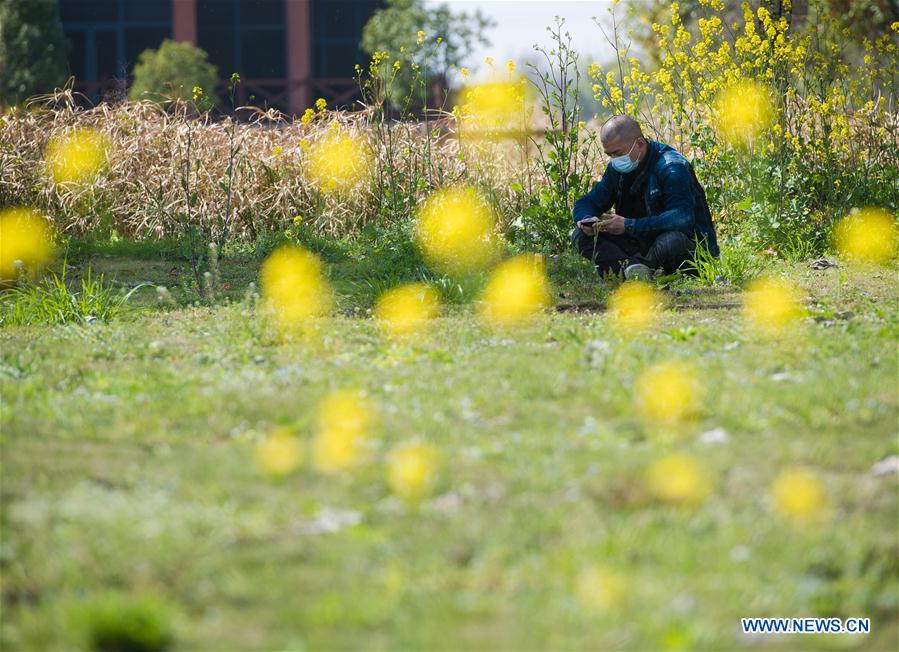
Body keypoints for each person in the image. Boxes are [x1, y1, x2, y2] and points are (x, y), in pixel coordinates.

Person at [571, 115, 718, 280]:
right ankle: (635, 271)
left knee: (671, 241)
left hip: (684, 247)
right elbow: (588, 201)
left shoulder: (671, 167)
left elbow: (682, 218)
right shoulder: (616, 168)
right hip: (640, 244)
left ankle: (633, 272)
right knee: (579, 236)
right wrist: (585, 219)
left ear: (639, 143)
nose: (613, 160)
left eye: (617, 153)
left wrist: (629, 226)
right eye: (609, 154)